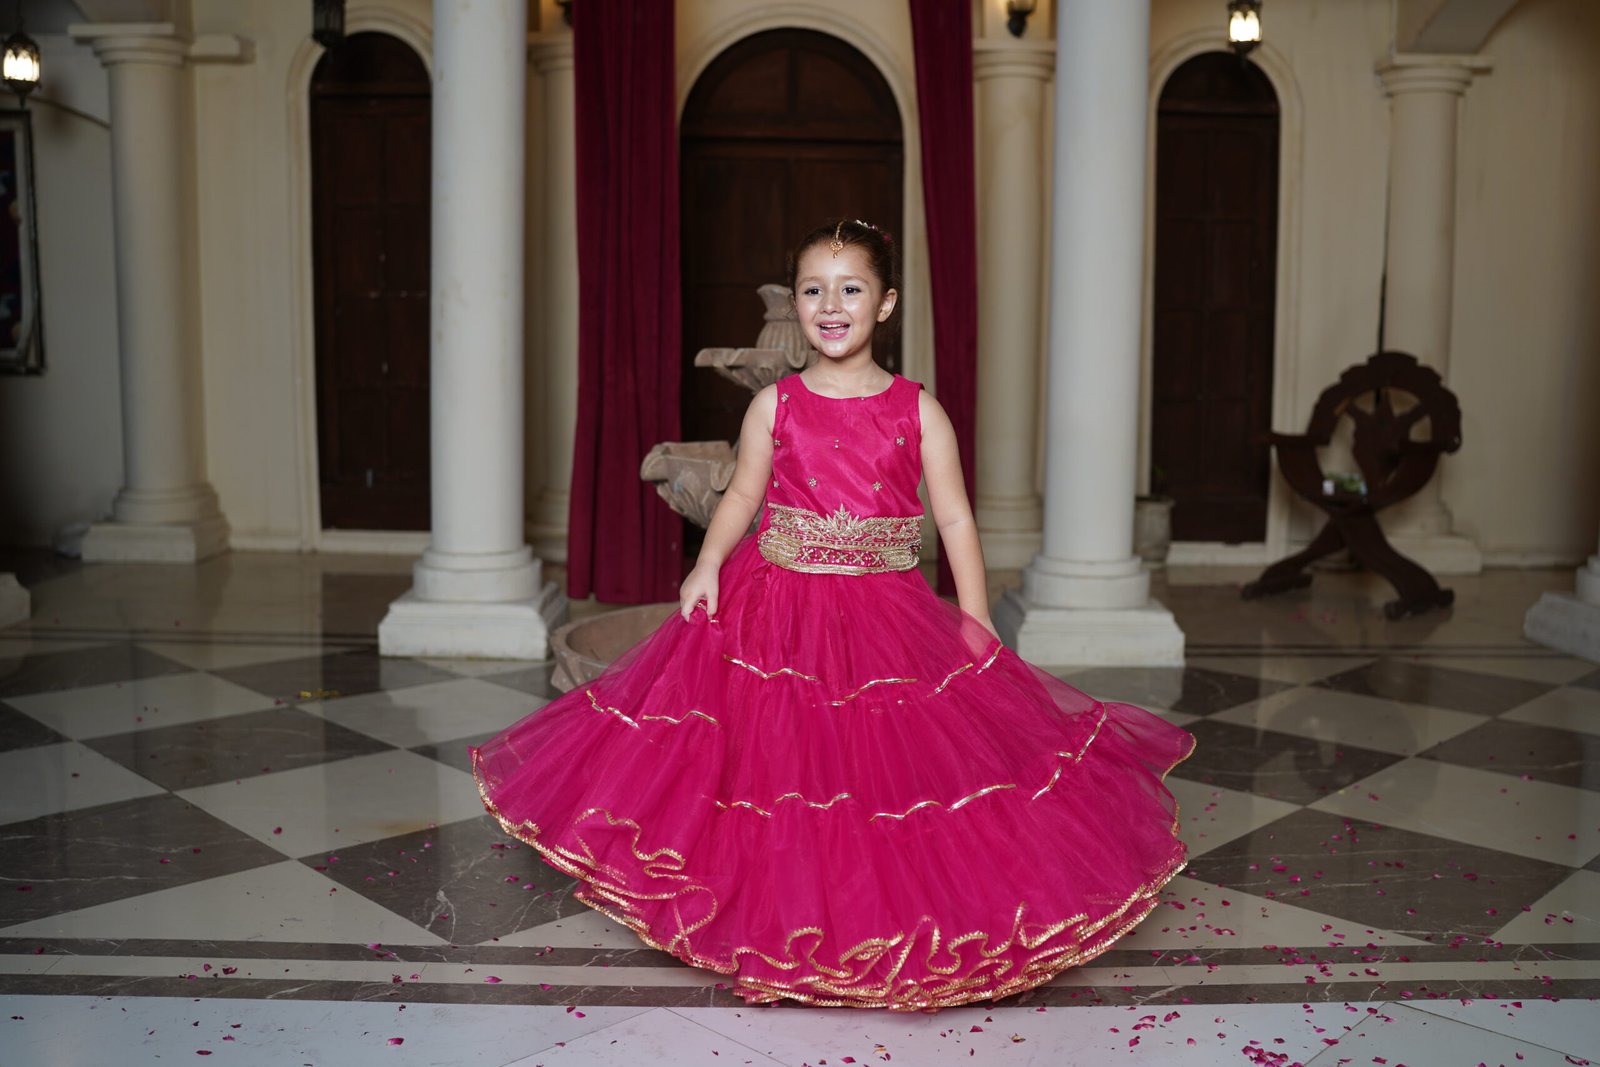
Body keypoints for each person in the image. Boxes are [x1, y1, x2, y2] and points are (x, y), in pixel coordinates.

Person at [472, 219, 1194, 1011]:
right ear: (798, 304)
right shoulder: (775, 405)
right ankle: (778, 915)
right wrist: (707, 563)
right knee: (779, 769)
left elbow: (955, 518)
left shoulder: (918, 409)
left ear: (885, 304)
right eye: (813, 290)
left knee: (881, 774)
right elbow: (742, 496)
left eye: (851, 289)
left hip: (886, 612)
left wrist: (975, 615)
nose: (831, 305)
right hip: (776, 604)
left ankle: (874, 914)